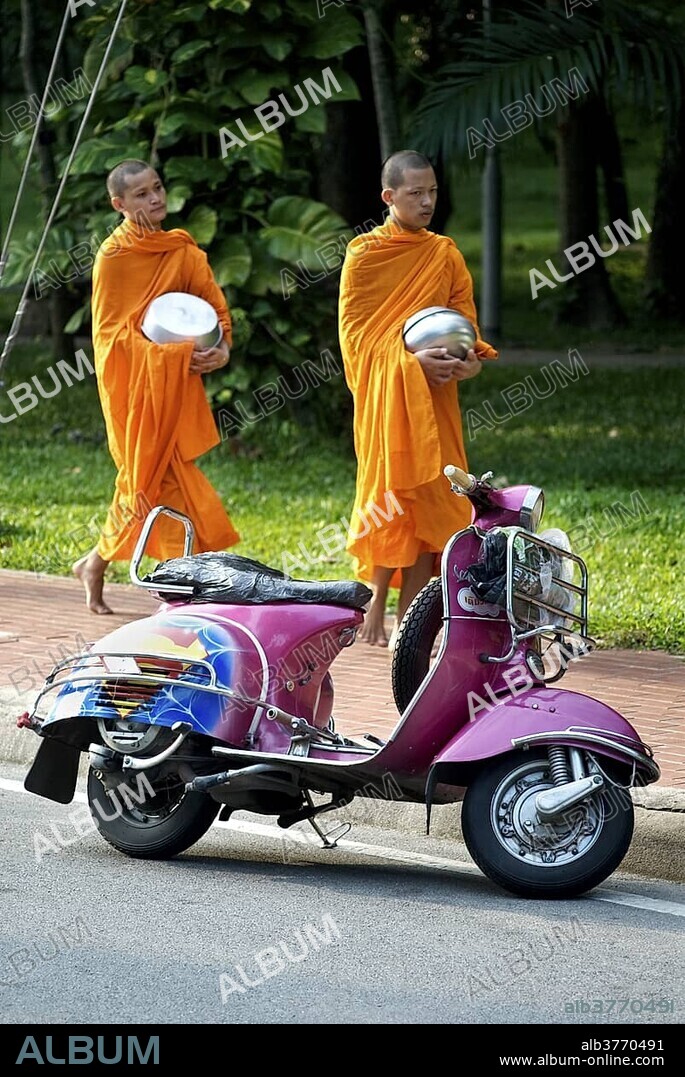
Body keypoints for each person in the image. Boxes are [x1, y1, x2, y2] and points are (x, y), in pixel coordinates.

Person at [338, 149, 498, 648]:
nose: (427, 201)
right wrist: (409, 365)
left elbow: (464, 323)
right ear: (389, 197)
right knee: (389, 496)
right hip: (388, 399)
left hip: (436, 400)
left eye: (432, 192)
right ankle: (374, 604)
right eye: (416, 193)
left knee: (434, 499)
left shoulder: (444, 253)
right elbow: (356, 338)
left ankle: (411, 617)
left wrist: (469, 360)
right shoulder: (364, 255)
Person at [73, 159, 240, 613]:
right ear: (119, 204)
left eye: (158, 188)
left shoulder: (182, 252)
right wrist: (178, 355)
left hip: (174, 390)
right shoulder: (114, 258)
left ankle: (99, 562)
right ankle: (179, 594)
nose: (155, 198)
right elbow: (111, 338)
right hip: (133, 392)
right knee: (150, 483)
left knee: (146, 483)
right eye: (142, 194)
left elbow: (214, 313)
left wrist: (219, 350)